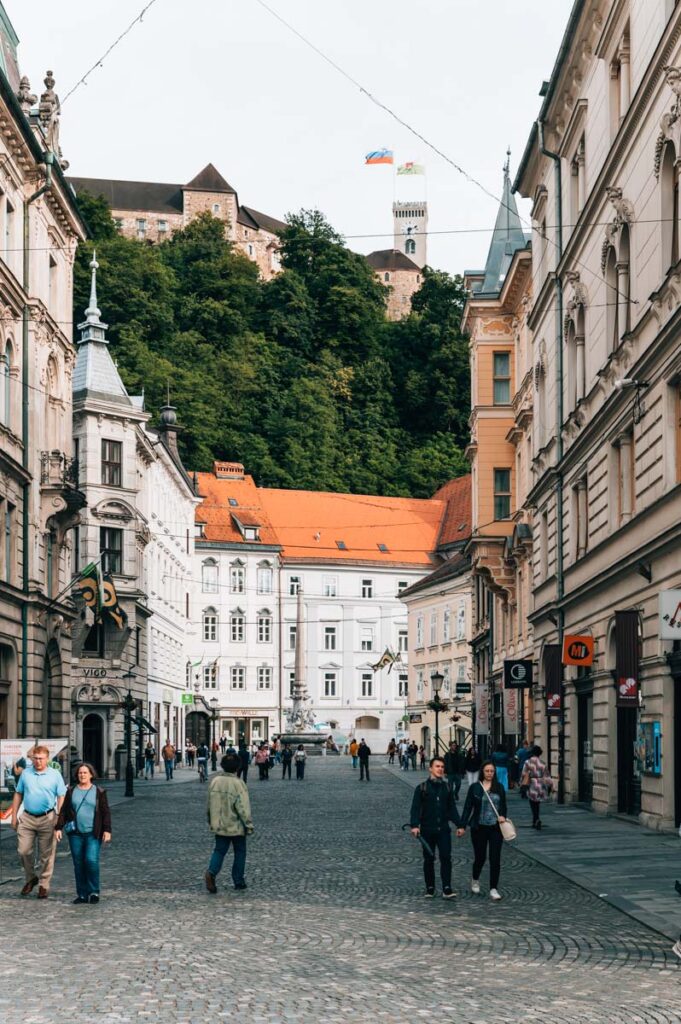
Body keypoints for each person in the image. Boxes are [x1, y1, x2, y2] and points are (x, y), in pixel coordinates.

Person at [10, 745, 66, 899]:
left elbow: (61, 796)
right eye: (35, 758)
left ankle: (43, 885)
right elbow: (18, 794)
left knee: (46, 854)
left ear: (47, 759)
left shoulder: (55, 775)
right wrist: (14, 816)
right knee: (23, 850)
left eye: (41, 758)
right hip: (27, 817)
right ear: (32, 759)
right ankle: (31, 878)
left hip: (48, 818)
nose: (38, 761)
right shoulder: (26, 774)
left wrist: (59, 819)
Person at [55, 762, 112, 904]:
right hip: (75, 833)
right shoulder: (71, 791)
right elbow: (64, 811)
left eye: (85, 772)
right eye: (80, 773)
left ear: (91, 775)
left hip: (93, 833)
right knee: (79, 863)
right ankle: (81, 894)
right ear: (77, 775)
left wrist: (107, 830)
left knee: (91, 861)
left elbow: (105, 812)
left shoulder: (99, 792)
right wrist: (58, 828)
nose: (82, 775)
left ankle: (94, 892)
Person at [410, 755, 461, 899]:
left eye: (442, 767)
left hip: (443, 830)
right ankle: (430, 887)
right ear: (430, 769)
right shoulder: (421, 788)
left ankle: (447, 887)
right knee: (429, 858)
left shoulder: (447, 787)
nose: (440, 769)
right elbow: (415, 808)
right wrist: (415, 825)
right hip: (427, 830)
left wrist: (460, 824)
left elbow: (452, 809)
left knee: (446, 857)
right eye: (437, 766)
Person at [457, 760, 508, 901]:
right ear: (482, 772)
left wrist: (503, 816)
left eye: (492, 771)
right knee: (480, 857)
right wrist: (462, 826)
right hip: (478, 827)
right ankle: (475, 879)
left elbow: (503, 806)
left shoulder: (499, 787)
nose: (490, 773)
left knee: (495, 858)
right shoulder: (475, 788)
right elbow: (468, 808)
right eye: (487, 771)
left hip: (496, 828)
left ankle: (493, 888)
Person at [205, 753, 254, 894]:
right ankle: (238, 880)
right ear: (237, 768)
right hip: (236, 826)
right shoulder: (238, 784)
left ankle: (211, 872)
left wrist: (211, 820)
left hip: (220, 824)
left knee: (219, 851)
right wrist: (248, 824)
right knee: (240, 852)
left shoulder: (215, 781)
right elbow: (243, 808)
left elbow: (209, 804)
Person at [522, 745, 553, 829]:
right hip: (540, 784)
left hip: (531, 783)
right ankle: (536, 819)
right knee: (537, 803)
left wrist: (522, 783)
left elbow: (524, 774)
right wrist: (550, 785)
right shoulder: (542, 763)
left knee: (532, 803)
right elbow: (547, 776)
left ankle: (536, 819)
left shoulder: (527, 762)